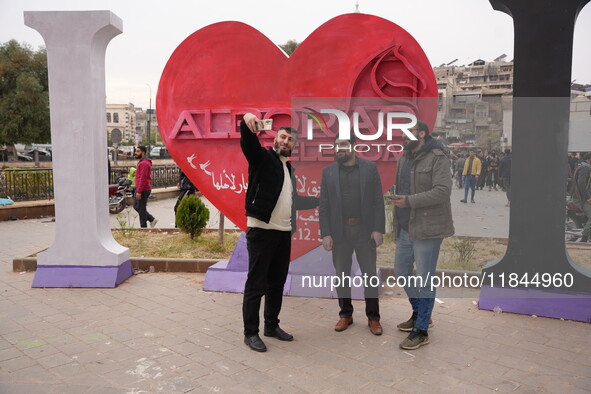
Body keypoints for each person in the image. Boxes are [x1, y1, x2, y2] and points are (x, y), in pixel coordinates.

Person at [240, 113, 318, 352]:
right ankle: (250, 333)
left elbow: (294, 200)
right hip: (262, 231)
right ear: (275, 139)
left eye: (290, 139)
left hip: (283, 233)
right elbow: (248, 142)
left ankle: (271, 326)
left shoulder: (288, 168)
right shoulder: (262, 158)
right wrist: (246, 120)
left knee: (277, 283)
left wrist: (320, 200)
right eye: (283, 137)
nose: (286, 142)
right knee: (256, 284)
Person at [392, 120, 454, 350]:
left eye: (408, 133)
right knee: (401, 272)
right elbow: (403, 191)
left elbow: (442, 191)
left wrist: (409, 201)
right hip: (407, 226)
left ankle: (421, 330)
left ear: (422, 134)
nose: (403, 137)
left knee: (425, 278)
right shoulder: (403, 159)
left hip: (428, 228)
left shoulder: (438, 157)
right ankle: (421, 313)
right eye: (401, 133)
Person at [319, 135, 386, 336]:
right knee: (341, 275)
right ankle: (345, 314)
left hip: (364, 230)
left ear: (354, 147)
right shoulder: (328, 172)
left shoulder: (369, 169)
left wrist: (378, 229)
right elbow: (324, 206)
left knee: (369, 276)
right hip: (339, 232)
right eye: (337, 145)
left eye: (344, 145)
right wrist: (326, 233)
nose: (340, 149)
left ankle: (373, 318)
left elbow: (377, 201)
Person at [133, 146, 158, 228]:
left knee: (141, 208)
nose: (136, 153)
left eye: (138, 151)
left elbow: (143, 179)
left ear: (143, 152)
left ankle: (143, 227)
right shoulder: (142, 162)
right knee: (137, 207)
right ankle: (151, 219)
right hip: (141, 188)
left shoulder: (144, 163)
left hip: (143, 189)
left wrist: (139, 191)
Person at [571, 153, 591, 243]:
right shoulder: (584, 168)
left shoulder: (586, 167)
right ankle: (584, 238)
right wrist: (588, 198)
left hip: (583, 197)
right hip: (580, 198)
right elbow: (581, 184)